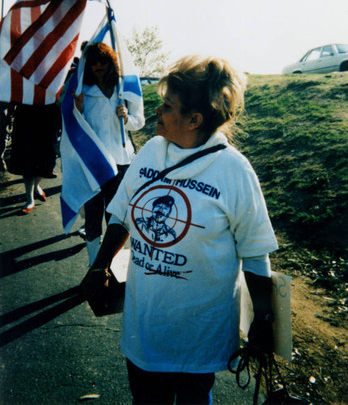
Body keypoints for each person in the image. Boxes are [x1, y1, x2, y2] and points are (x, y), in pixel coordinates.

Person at [82, 55, 278, 404]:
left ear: (194, 119)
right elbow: (123, 214)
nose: (158, 110)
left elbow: (254, 252)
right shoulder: (151, 152)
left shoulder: (234, 171)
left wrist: (263, 317)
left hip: (198, 335)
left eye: (167, 105)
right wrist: (101, 264)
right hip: (144, 329)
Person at [73, 42, 145, 266]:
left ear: (111, 62)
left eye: (103, 61)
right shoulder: (82, 92)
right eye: (93, 63)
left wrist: (126, 118)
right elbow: (74, 129)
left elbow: (139, 122)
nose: (98, 67)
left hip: (121, 162)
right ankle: (94, 266)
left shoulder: (124, 91)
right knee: (93, 217)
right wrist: (78, 109)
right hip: (93, 164)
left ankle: (110, 267)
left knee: (116, 218)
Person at [8, 103, 61, 214]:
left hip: (49, 113)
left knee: (46, 158)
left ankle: (36, 186)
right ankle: (29, 199)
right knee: (27, 157)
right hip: (27, 112)